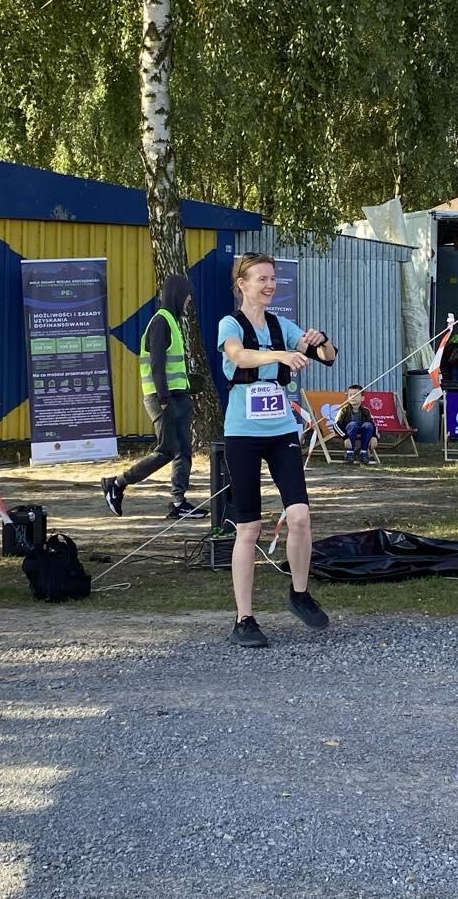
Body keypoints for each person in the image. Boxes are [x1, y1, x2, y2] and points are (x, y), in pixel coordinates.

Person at [217, 254, 337, 648]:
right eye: (262, 279)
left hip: (282, 430)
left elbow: (327, 357)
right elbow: (238, 356)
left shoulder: (281, 325)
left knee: (300, 516)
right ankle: (244, 619)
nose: (270, 285)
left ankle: (299, 594)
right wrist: (280, 354)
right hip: (242, 434)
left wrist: (321, 341)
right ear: (242, 284)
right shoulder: (230, 324)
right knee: (249, 528)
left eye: (273, 279)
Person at [104, 273, 206, 520]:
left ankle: (179, 503)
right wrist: (164, 399)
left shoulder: (173, 322)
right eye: (187, 296)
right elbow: (157, 365)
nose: (188, 301)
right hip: (164, 399)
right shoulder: (161, 322)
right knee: (166, 450)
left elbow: (171, 367)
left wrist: (186, 385)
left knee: (183, 450)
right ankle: (117, 483)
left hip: (177, 397)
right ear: (177, 295)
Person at [338, 390, 378, 463]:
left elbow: (373, 424)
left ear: (362, 398)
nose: (353, 397)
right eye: (350, 395)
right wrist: (345, 437)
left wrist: (374, 436)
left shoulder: (365, 411)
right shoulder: (344, 410)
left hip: (361, 431)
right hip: (348, 431)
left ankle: (363, 453)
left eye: (356, 395)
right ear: (347, 398)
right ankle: (349, 453)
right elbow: (336, 425)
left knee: (368, 425)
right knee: (353, 425)